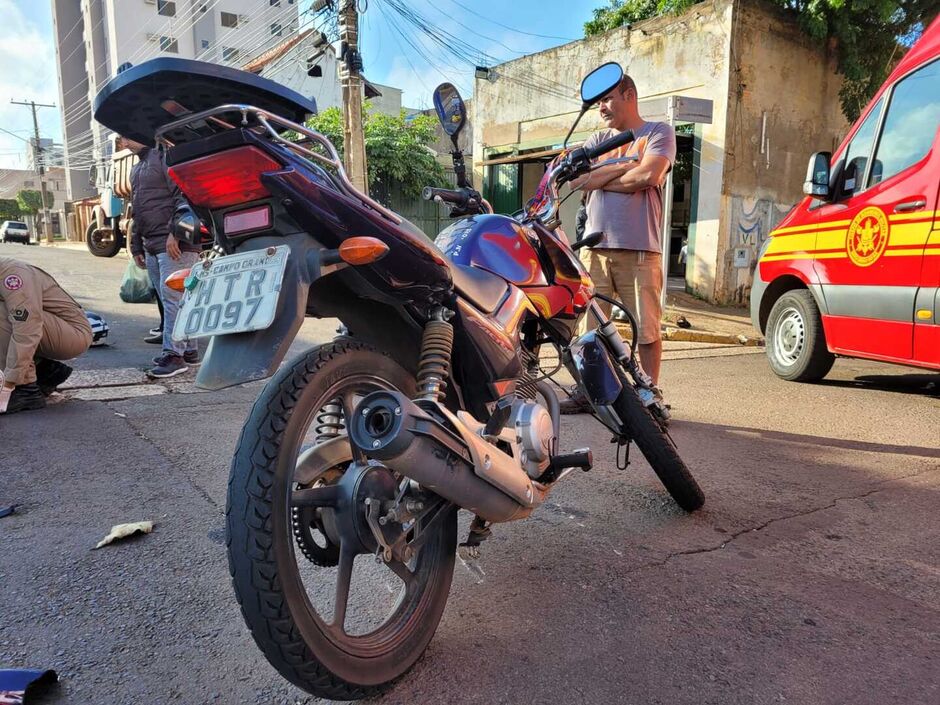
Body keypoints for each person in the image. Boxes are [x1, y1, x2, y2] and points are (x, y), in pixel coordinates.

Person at [561, 74, 676, 414]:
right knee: (588, 328)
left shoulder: (657, 132)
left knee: (646, 328)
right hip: (593, 250)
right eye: (598, 102)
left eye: (608, 99)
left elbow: (649, 175)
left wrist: (604, 177)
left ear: (629, 95)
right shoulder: (598, 138)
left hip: (639, 250)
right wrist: (626, 166)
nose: (601, 107)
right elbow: (578, 180)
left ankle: (649, 394)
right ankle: (588, 390)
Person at [122, 136, 200, 378]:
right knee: (176, 300)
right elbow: (137, 209)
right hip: (151, 245)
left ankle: (174, 355)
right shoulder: (136, 168)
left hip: (174, 243)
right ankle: (189, 350)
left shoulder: (165, 156)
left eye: (125, 136)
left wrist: (175, 233)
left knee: (173, 300)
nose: (123, 142)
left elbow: (183, 195)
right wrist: (136, 246)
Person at [0, 257, 92, 414]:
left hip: (74, 332)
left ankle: (24, 389)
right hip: (48, 329)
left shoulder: (12, 275)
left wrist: (9, 384)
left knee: (5, 316)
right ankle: (45, 370)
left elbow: (27, 329)